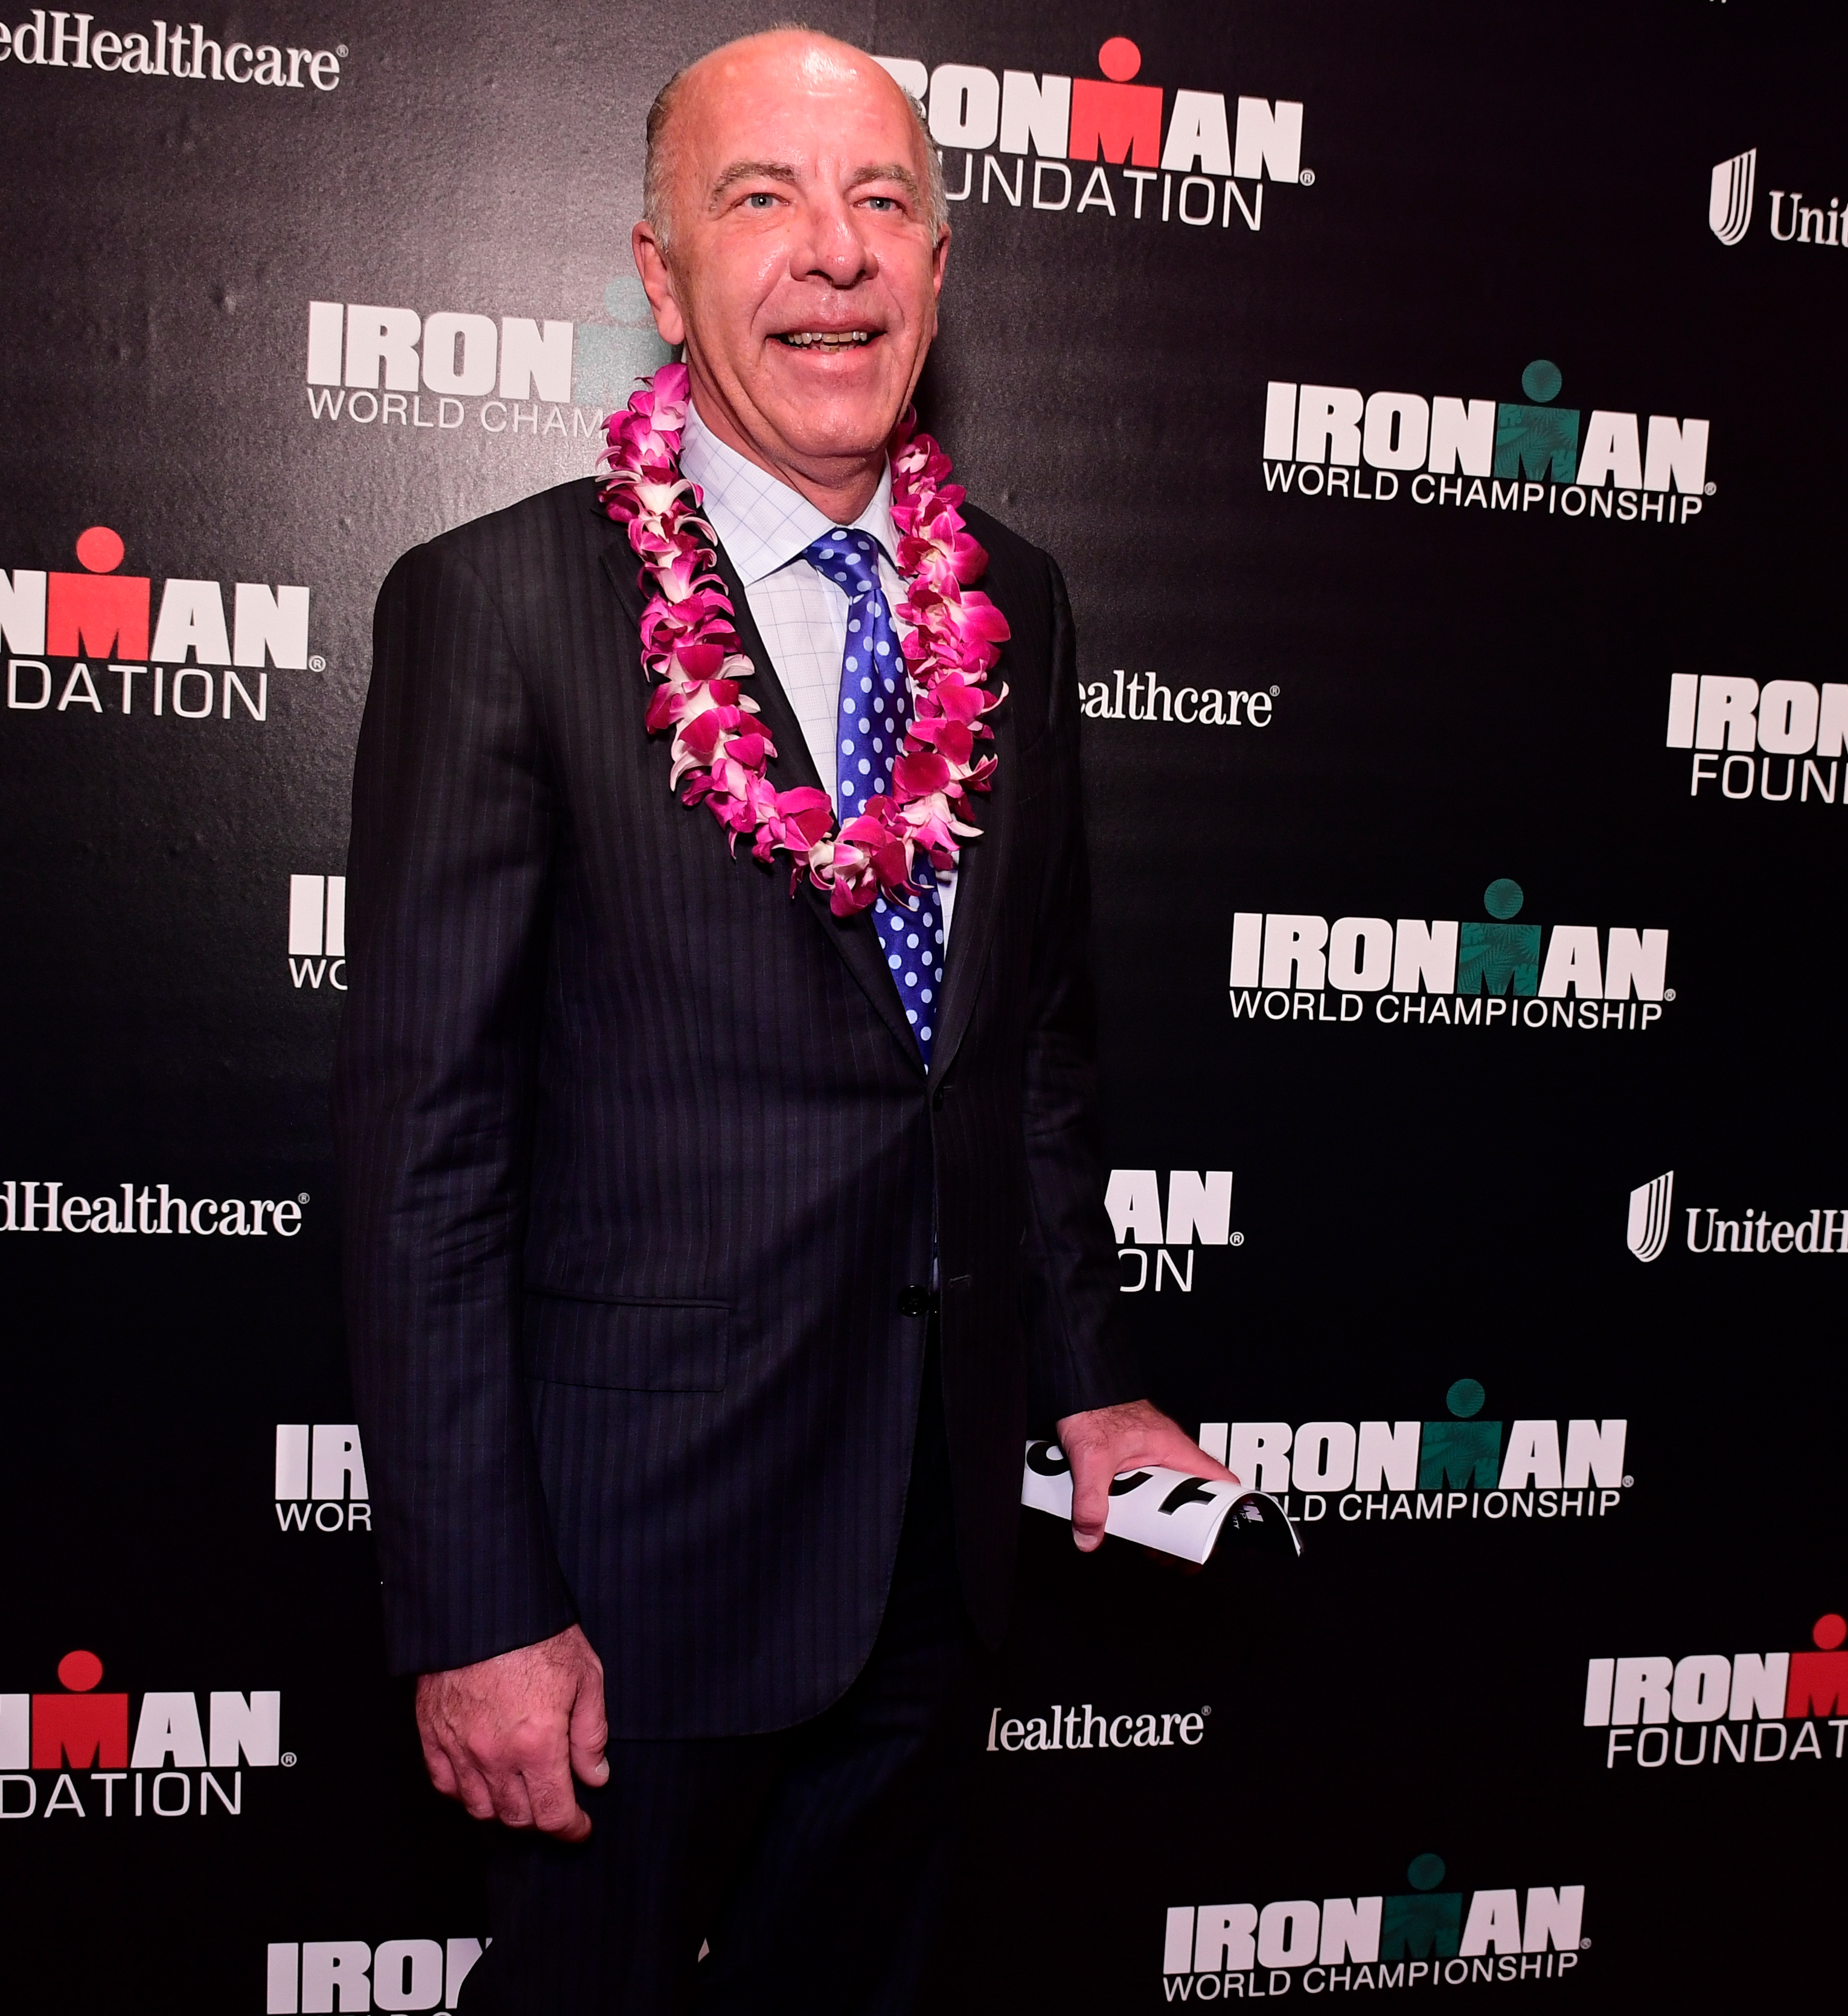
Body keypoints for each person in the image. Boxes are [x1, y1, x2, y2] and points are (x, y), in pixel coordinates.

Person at [334, 28, 1229, 2014]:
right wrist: (480, 1603)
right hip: (626, 1576)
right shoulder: (495, 608)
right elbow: (426, 1151)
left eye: (881, 202)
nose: (832, 254)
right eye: (762, 201)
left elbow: (1031, 1046)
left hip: (933, 1551)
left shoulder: (1017, 599)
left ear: (937, 265)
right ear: (661, 278)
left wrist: (1083, 1378)